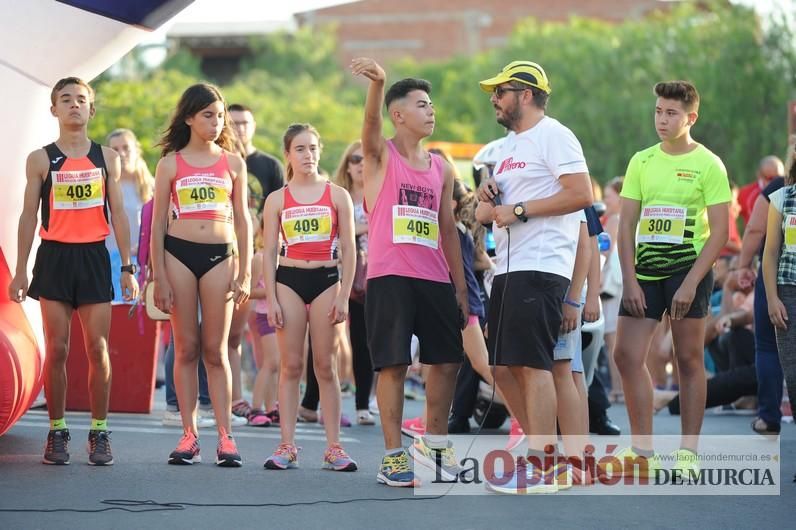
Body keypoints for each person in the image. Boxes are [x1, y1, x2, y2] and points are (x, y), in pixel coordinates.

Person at [475, 61, 593, 494]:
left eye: (501, 91)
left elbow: (582, 195)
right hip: (507, 266)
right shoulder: (506, 146)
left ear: (525, 94)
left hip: (541, 265)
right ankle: (545, 452)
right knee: (502, 369)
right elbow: (487, 213)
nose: (494, 98)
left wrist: (521, 210)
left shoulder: (555, 134)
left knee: (534, 365)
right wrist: (485, 195)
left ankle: (545, 464)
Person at [351, 57, 469, 487]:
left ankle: (436, 446)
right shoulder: (380, 155)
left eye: (432, 104)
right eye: (422, 104)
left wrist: (460, 287)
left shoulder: (441, 166)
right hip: (390, 277)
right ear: (398, 114)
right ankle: (393, 457)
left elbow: (448, 230)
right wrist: (378, 84)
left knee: (446, 362)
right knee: (394, 366)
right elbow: (368, 125)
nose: (431, 110)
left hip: (436, 278)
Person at [8, 77, 139, 465]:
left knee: (98, 348)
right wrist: (20, 271)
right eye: (66, 100)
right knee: (59, 349)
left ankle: (99, 431)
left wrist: (128, 267)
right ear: (54, 110)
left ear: (91, 109)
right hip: (54, 258)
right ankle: (57, 430)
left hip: (94, 258)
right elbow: (28, 216)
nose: (74, 106)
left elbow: (119, 215)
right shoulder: (40, 159)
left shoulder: (107, 159)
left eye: (81, 100)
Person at [610, 81, 730, 477]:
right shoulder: (641, 161)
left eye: (671, 113)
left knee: (688, 359)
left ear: (690, 117)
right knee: (626, 355)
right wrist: (628, 280)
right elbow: (626, 225)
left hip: (687, 273)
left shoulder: (708, 164)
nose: (662, 119)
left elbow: (720, 233)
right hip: (643, 272)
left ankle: (688, 453)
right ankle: (642, 450)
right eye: (658, 111)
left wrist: (692, 282)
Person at [151, 83, 252, 467]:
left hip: (220, 257)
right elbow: (159, 222)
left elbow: (243, 220)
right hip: (178, 254)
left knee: (216, 349)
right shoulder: (170, 163)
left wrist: (244, 272)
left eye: (220, 114)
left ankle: (226, 438)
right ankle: (189, 434)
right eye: (208, 114)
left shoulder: (233, 163)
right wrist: (158, 274)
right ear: (190, 118)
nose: (216, 121)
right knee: (186, 347)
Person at [261, 123, 358, 471]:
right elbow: (269, 250)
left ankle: (334, 447)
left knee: (324, 367)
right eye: (300, 149)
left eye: (313, 148)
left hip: (326, 279)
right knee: (291, 366)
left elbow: (349, 247)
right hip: (288, 279)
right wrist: (270, 298)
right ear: (288, 154)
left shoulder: (337, 195)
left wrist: (344, 294)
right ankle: (287, 445)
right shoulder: (277, 199)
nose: (308, 155)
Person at [227, 103, 284, 421]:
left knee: (268, 343)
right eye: (233, 123)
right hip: (227, 255)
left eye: (245, 123)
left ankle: (270, 402)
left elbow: (282, 210)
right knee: (230, 336)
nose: (239, 128)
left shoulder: (269, 165)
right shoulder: (221, 162)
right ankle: (235, 399)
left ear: (255, 125)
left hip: (262, 257)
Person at [761, 149, 796, 436]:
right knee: (794, 378)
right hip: (788, 294)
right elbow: (771, 253)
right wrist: (772, 299)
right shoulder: (782, 198)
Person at [105, 128, 154, 302]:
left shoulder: (152, 188)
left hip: (144, 265)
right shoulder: (103, 188)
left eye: (126, 148)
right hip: (110, 263)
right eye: (115, 150)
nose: (122, 154)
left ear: (137, 150)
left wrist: (144, 248)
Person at [738, 155, 784, 225]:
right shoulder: (746, 193)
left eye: (778, 178)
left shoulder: (790, 193)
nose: (775, 182)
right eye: (770, 178)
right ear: (759, 175)